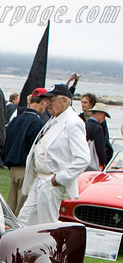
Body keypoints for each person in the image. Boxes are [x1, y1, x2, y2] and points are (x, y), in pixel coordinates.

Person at [17, 84, 89, 227]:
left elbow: (83, 159)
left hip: (51, 182)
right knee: (23, 220)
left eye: (51, 99)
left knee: (46, 225)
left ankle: (50, 249)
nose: (47, 104)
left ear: (64, 101)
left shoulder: (73, 123)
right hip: (39, 180)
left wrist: (59, 179)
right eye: (46, 100)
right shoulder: (53, 120)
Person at [1, 89, 48, 214]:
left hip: (13, 169)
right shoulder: (38, 123)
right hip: (25, 169)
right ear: (42, 102)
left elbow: (4, 141)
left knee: (10, 207)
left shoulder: (16, 120)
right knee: (21, 209)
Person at [86, 103, 112, 169]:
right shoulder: (98, 128)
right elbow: (100, 147)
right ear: (99, 114)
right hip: (94, 162)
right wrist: (104, 162)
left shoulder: (86, 123)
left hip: (86, 158)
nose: (103, 119)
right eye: (103, 116)